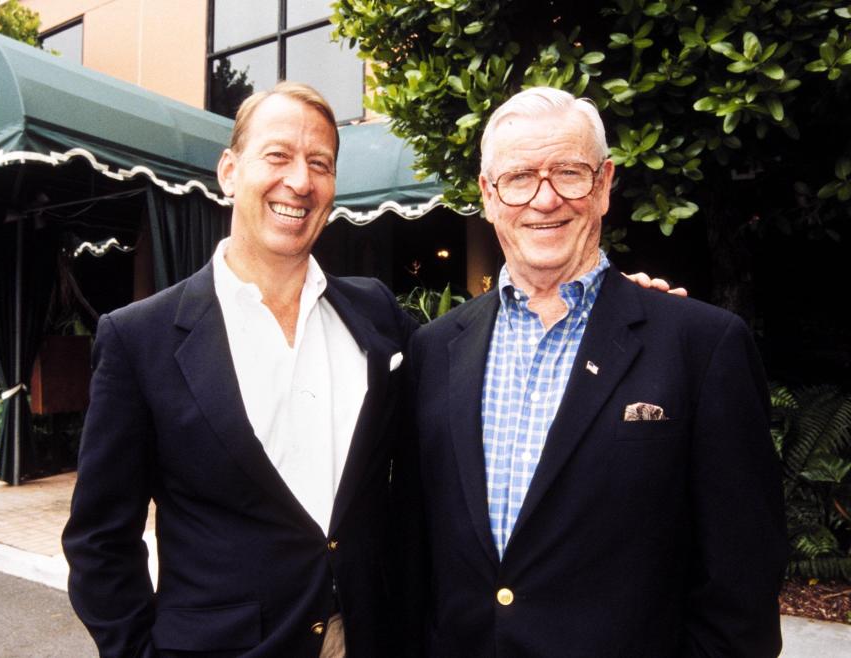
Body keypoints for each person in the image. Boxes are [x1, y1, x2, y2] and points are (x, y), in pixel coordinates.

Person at [401, 87, 788, 657]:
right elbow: (414, 553)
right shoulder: (433, 350)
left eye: (569, 173)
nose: (545, 198)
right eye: (519, 177)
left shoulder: (701, 346)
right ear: (487, 194)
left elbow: (742, 591)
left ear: (604, 185)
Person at [62, 82, 416, 657]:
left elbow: (455, 379)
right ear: (229, 171)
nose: (299, 181)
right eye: (277, 156)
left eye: (319, 163)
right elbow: (99, 541)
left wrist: (591, 300)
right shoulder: (139, 338)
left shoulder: (375, 313)